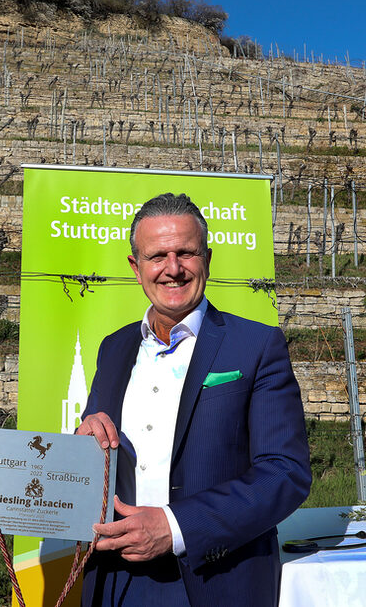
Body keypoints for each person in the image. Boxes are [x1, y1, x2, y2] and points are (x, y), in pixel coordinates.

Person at [76, 192, 311, 606]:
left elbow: (285, 472)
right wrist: (83, 443)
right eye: (157, 256)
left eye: (186, 253)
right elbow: (93, 459)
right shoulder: (112, 349)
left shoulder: (256, 345)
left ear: (207, 258)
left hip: (214, 578)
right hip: (115, 579)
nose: (173, 268)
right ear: (136, 267)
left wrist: (176, 526)